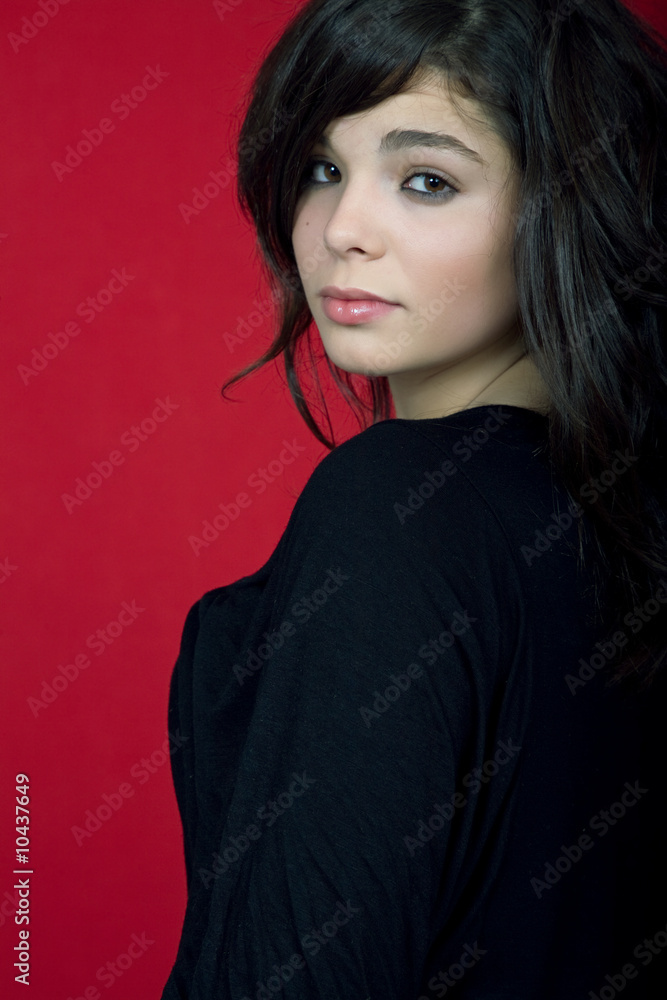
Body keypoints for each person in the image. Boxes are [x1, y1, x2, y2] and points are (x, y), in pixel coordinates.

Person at [160, 1, 667, 997]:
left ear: (563, 205)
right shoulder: (618, 521)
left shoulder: (397, 508)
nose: (341, 230)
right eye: (322, 168)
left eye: (425, 180)